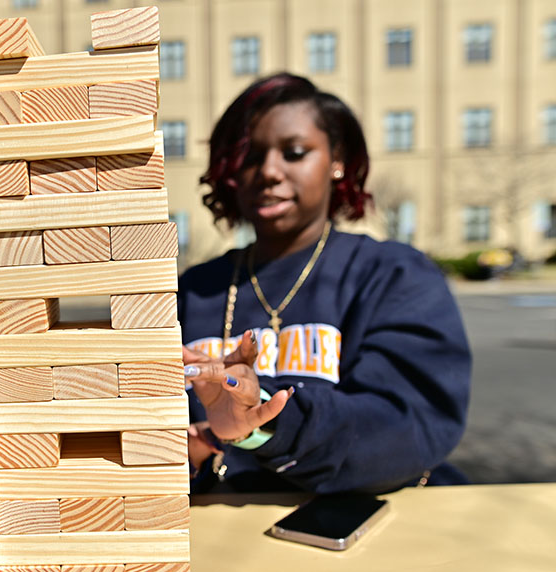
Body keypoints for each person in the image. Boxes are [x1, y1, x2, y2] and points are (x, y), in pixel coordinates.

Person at [180, 73, 471, 494]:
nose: (269, 172)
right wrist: (184, 456)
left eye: (294, 153)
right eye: (250, 156)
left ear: (337, 160)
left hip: (364, 532)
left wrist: (262, 422)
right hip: (213, 538)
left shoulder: (395, 276)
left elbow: (406, 428)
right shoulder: (191, 291)